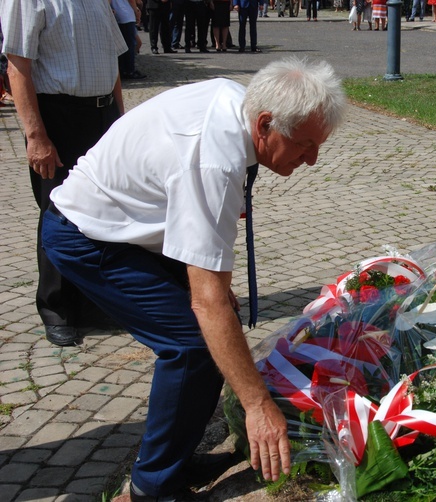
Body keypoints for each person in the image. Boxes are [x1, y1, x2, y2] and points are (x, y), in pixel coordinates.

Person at [42, 57, 347, 501]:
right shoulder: (212, 160)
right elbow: (207, 304)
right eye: (304, 145)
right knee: (191, 343)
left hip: (134, 226)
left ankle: (175, 456)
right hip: (86, 236)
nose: (313, 160)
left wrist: (218, 295)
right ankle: (153, 486)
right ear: (264, 124)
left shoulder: (238, 104)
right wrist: (258, 405)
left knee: (215, 330)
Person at [0, 0, 127, 347]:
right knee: (58, 213)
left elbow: (112, 64)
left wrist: (120, 121)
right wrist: (35, 135)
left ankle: (92, 301)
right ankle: (57, 307)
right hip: (59, 117)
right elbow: (17, 65)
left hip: (102, 116)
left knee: (102, 211)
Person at [112, 0, 148, 80]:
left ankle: (123, 69)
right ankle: (129, 70)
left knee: (122, 45)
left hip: (118, 15)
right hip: (126, 15)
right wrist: (136, 12)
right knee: (130, 45)